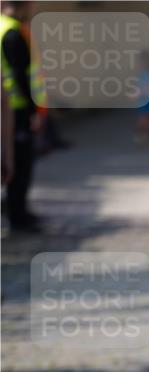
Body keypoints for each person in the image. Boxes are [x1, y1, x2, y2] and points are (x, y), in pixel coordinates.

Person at [1, 0, 42, 232]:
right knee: (18, 163)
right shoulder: (13, 33)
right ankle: (18, 215)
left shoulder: (3, 27)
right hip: (15, 108)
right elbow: (20, 74)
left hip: (9, 106)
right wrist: (33, 111)